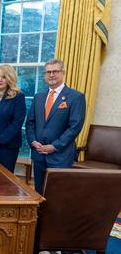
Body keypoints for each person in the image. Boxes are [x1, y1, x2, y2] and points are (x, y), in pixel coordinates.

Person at [26, 59, 86, 194]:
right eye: (48, 72)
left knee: (58, 194)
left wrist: (55, 146)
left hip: (60, 155)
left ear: (63, 73)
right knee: (39, 192)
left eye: (55, 71)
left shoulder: (76, 97)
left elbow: (74, 127)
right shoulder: (39, 97)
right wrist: (33, 141)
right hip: (39, 154)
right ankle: (40, 215)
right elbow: (30, 123)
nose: (51, 75)